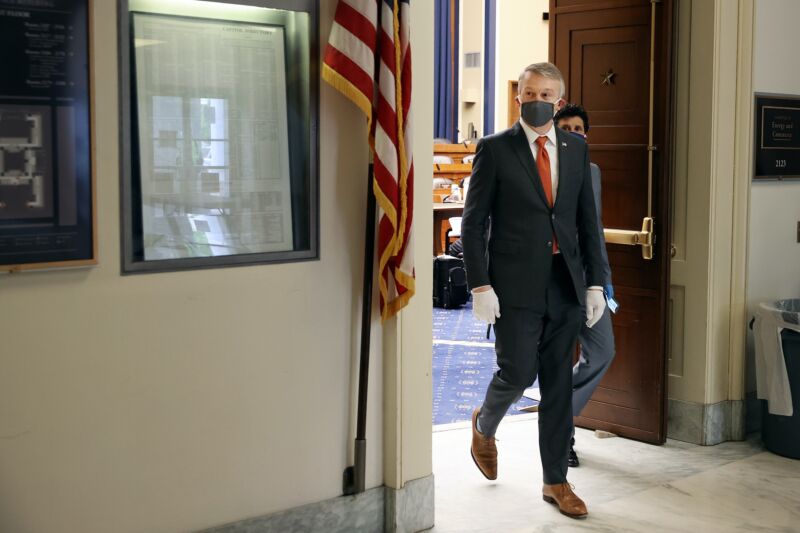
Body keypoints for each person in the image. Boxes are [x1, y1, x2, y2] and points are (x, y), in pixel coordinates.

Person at [461, 62, 606, 520]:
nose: (537, 100)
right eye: (530, 93)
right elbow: (473, 222)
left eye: (546, 94)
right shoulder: (495, 149)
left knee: (558, 384)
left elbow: (587, 222)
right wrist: (479, 284)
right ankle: (485, 423)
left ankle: (556, 481)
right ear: (518, 97)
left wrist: (596, 282)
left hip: (565, 283)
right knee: (518, 372)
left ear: (558, 102)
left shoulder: (576, 149)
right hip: (513, 285)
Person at [554, 103, 617, 468]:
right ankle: (562, 437)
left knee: (603, 351)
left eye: (579, 129)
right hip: (553, 280)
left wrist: (604, 282)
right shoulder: (541, 170)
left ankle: (556, 412)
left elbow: (595, 230)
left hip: (589, 282)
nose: (574, 134)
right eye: (566, 129)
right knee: (557, 360)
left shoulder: (592, 172)